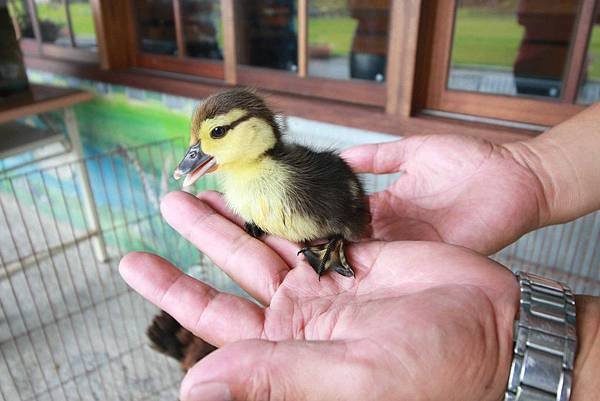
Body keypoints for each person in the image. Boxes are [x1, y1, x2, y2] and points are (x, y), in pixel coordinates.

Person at [120, 103, 600, 401]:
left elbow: (341, 197)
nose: (198, 152)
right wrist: (532, 171)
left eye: (215, 135)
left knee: (318, 205)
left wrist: (500, 348)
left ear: (255, 129)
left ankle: (331, 243)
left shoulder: (295, 177)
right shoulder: (244, 184)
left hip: (334, 223)